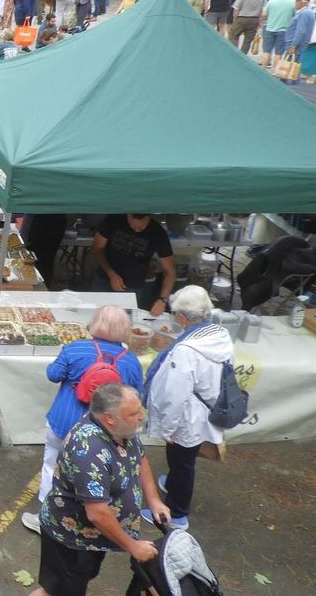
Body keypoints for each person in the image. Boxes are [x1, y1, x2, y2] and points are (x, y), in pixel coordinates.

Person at [0, 384, 169, 596]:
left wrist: (155, 500)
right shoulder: (88, 448)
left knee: (80, 581)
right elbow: (97, 513)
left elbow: (141, 460)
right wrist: (133, 546)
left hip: (95, 537)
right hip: (72, 536)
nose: (141, 417)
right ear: (110, 417)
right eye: (135, 413)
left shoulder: (124, 431)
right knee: (61, 593)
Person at [22, 305, 142, 534]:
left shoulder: (75, 349)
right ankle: (87, 522)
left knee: (52, 466)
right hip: (107, 429)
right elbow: (137, 396)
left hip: (65, 420)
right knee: (97, 474)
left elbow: (52, 374)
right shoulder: (131, 362)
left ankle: (45, 519)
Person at [142, 286, 233, 530]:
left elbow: (175, 395)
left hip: (188, 416)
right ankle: (172, 482)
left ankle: (177, 513)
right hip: (208, 408)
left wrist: (168, 428)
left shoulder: (185, 350)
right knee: (185, 459)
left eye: (175, 313)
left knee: (182, 461)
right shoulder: (220, 335)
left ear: (182, 316)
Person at [92, 213, 174, 316]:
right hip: (104, 279)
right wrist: (111, 274)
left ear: (148, 218)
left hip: (132, 286)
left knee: (123, 321)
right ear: (128, 215)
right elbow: (97, 248)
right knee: (97, 317)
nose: (136, 230)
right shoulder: (113, 219)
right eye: (132, 226)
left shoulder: (157, 233)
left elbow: (169, 271)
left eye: (141, 228)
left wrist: (162, 300)